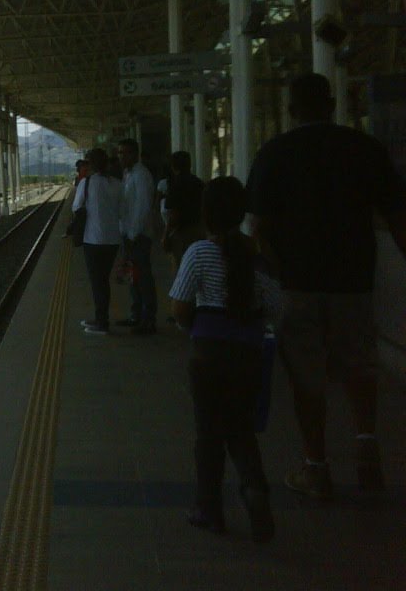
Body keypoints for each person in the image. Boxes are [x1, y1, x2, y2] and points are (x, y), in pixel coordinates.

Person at [247, 72, 406, 499]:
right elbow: (397, 217)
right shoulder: (365, 149)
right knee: (359, 366)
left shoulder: (274, 153)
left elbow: (256, 229)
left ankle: (316, 467)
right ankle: (367, 447)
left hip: (297, 285)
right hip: (354, 282)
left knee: (307, 376)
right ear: (332, 105)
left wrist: (273, 275)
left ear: (291, 110)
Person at [170, 176, 274, 543]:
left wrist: (193, 327)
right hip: (248, 354)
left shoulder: (198, 252)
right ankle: (255, 488)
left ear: (206, 213)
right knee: (241, 428)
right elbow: (272, 305)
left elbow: (180, 306)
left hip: (208, 354)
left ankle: (209, 508)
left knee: (209, 433)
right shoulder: (257, 256)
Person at [74, 148, 123, 335]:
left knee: (98, 282)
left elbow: (76, 207)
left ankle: (102, 322)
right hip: (112, 240)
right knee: (103, 281)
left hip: (92, 240)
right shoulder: (118, 184)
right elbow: (122, 210)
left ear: (91, 164)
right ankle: (101, 318)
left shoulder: (86, 184)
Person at [118, 138, 158, 334]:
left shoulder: (142, 175)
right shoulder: (128, 174)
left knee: (143, 277)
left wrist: (132, 234)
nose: (121, 157)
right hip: (129, 234)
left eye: (125, 153)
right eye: (120, 153)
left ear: (135, 154)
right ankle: (136, 315)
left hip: (139, 235)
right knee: (132, 276)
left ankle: (148, 319)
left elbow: (142, 208)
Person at [162, 150, 205, 271]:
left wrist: (166, 235)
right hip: (198, 229)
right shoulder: (199, 183)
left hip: (182, 232)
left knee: (183, 269)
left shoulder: (175, 185)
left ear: (173, 166)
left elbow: (173, 213)